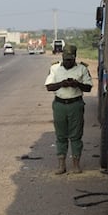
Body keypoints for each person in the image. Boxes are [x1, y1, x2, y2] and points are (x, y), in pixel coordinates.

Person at [44, 44, 93, 174]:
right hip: (59, 105)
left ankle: (76, 164)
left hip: (75, 104)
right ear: (62, 57)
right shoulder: (54, 68)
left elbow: (88, 88)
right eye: (66, 60)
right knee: (61, 135)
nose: (68, 62)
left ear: (75, 57)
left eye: (70, 60)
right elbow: (49, 87)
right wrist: (62, 84)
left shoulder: (82, 69)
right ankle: (61, 165)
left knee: (76, 136)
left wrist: (77, 84)